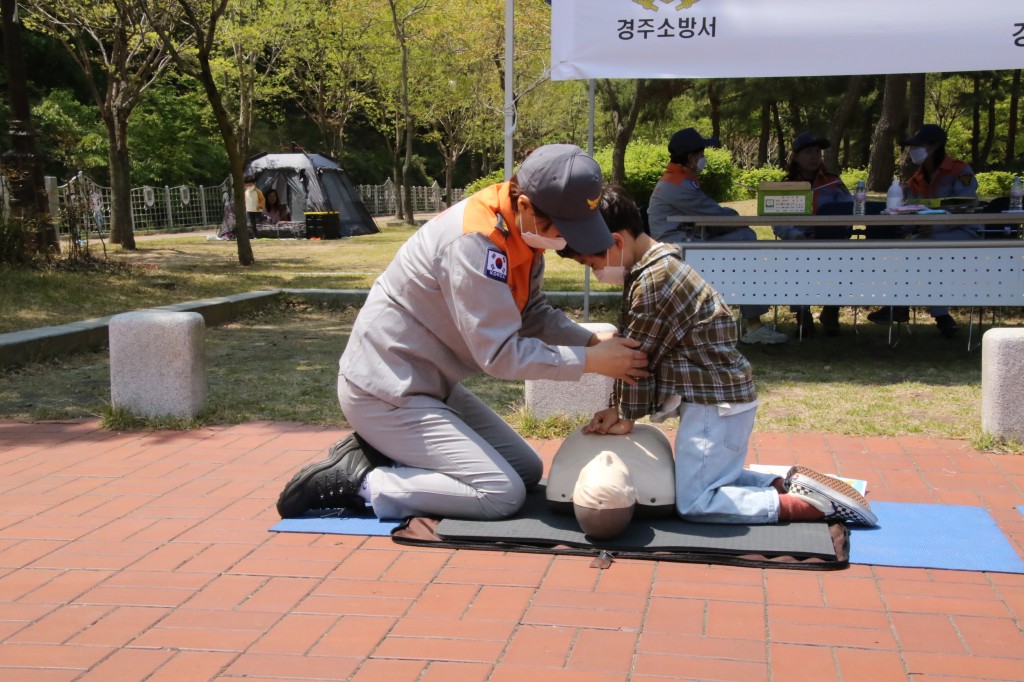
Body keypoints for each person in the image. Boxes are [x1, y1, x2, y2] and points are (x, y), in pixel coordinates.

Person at [275, 144, 650, 522]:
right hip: (385, 392)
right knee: (500, 494)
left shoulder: (524, 232)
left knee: (525, 470)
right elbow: (500, 356)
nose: (566, 241)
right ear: (524, 207)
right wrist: (590, 361)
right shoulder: (475, 242)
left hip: (432, 387)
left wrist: (588, 340)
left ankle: (387, 450)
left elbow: (532, 312)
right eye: (563, 228)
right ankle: (364, 481)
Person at [558, 185, 877, 526]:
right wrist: (619, 408)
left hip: (714, 405)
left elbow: (635, 358)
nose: (594, 271)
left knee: (696, 502)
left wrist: (624, 414)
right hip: (719, 400)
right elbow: (636, 345)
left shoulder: (654, 281)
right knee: (704, 482)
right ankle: (786, 485)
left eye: (591, 262)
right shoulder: (654, 267)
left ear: (616, 242)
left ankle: (810, 507)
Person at [647, 128, 787, 345]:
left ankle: (751, 321)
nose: (704, 158)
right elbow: (715, 215)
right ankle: (753, 325)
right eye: (701, 154)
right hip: (679, 249)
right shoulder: (678, 185)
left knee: (743, 239)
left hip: (685, 244)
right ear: (691, 157)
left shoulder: (679, 179)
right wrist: (736, 217)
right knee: (745, 241)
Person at [866, 124, 979, 337]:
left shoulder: (960, 170)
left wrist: (933, 225)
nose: (913, 151)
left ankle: (900, 307)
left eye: (918, 146)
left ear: (935, 145)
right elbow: (910, 211)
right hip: (928, 236)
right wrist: (899, 222)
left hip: (964, 232)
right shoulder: (915, 179)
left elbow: (966, 209)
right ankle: (934, 315)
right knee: (906, 250)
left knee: (920, 249)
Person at [773, 132, 853, 337]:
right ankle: (802, 314)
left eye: (818, 152)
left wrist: (835, 232)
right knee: (793, 259)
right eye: (808, 152)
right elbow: (777, 224)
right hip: (799, 243)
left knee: (843, 260)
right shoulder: (785, 186)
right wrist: (796, 235)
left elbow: (849, 213)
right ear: (796, 157)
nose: (814, 156)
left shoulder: (834, 182)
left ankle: (831, 312)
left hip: (831, 243)